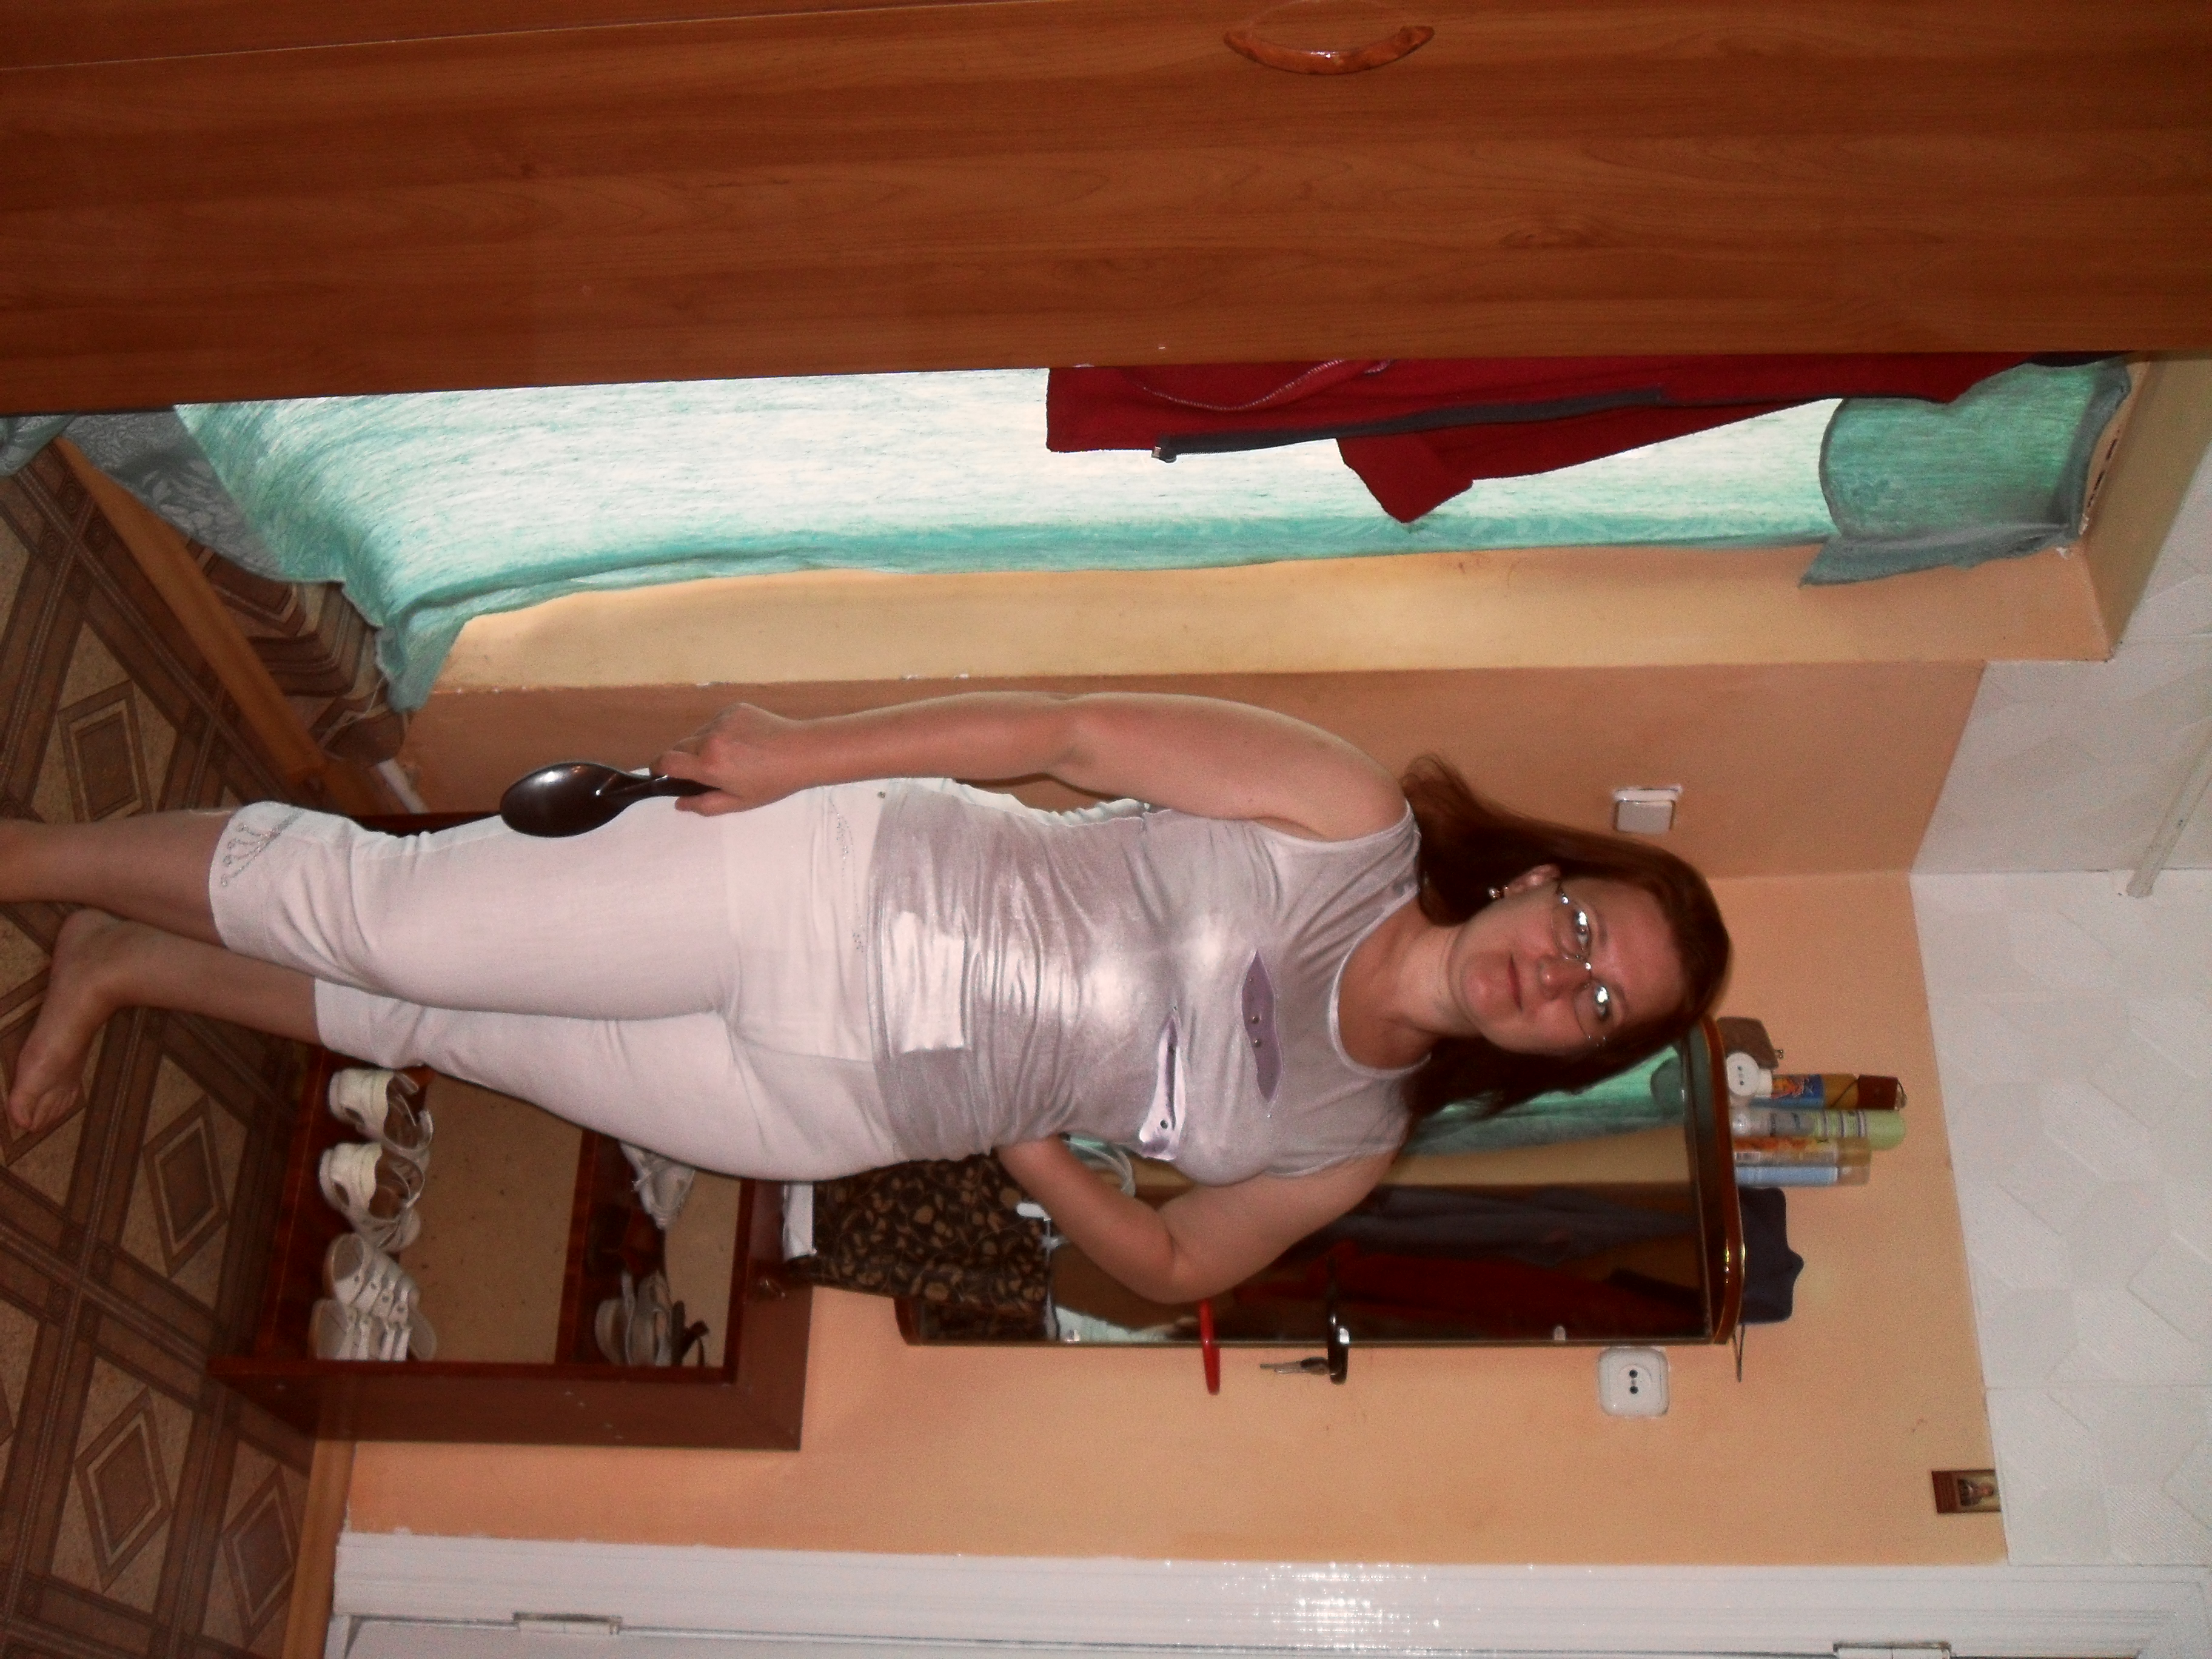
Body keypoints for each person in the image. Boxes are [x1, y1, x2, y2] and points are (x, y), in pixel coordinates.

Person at [1, 692, 1728, 1303]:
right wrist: (800, 755)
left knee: (436, 1026)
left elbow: (1174, 1268)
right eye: (1584, 928)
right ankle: (34, 859)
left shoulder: (1350, 1142)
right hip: (828, 886)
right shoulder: (1347, 820)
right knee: (391, 924)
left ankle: (124, 963)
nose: (1559, 975)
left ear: (1570, 1054)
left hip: (833, 1108)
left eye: (1597, 1006)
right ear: (1535, 877)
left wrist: (1035, 1149)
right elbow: (1067, 735)